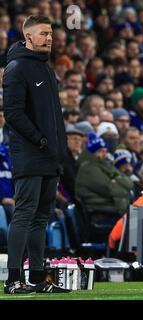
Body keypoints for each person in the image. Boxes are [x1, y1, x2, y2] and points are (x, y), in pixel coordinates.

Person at [2, 15, 70, 293]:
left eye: (51, 33)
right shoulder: (17, 67)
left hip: (49, 155)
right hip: (30, 153)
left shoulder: (45, 69)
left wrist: (58, 148)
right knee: (24, 214)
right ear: (28, 36)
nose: (49, 38)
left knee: (42, 217)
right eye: (43, 33)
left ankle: (38, 279)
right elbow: (13, 113)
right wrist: (40, 139)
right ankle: (13, 280)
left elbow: (54, 116)